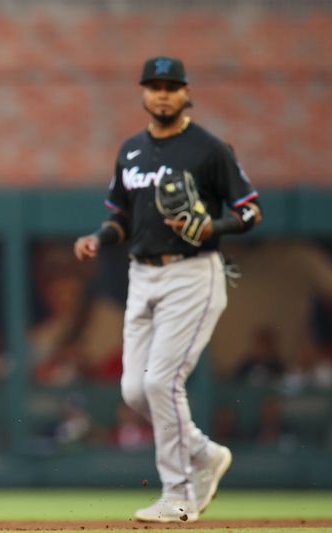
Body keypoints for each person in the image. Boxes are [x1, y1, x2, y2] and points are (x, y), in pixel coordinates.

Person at [74, 56, 262, 523]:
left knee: (162, 382)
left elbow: (251, 211)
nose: (162, 93)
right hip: (143, 273)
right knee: (136, 391)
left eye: (171, 85)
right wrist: (98, 238)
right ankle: (204, 453)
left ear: (185, 93)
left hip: (193, 272)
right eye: (154, 85)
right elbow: (120, 217)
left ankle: (177, 494)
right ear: (143, 93)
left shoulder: (209, 149)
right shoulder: (131, 151)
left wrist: (212, 226)